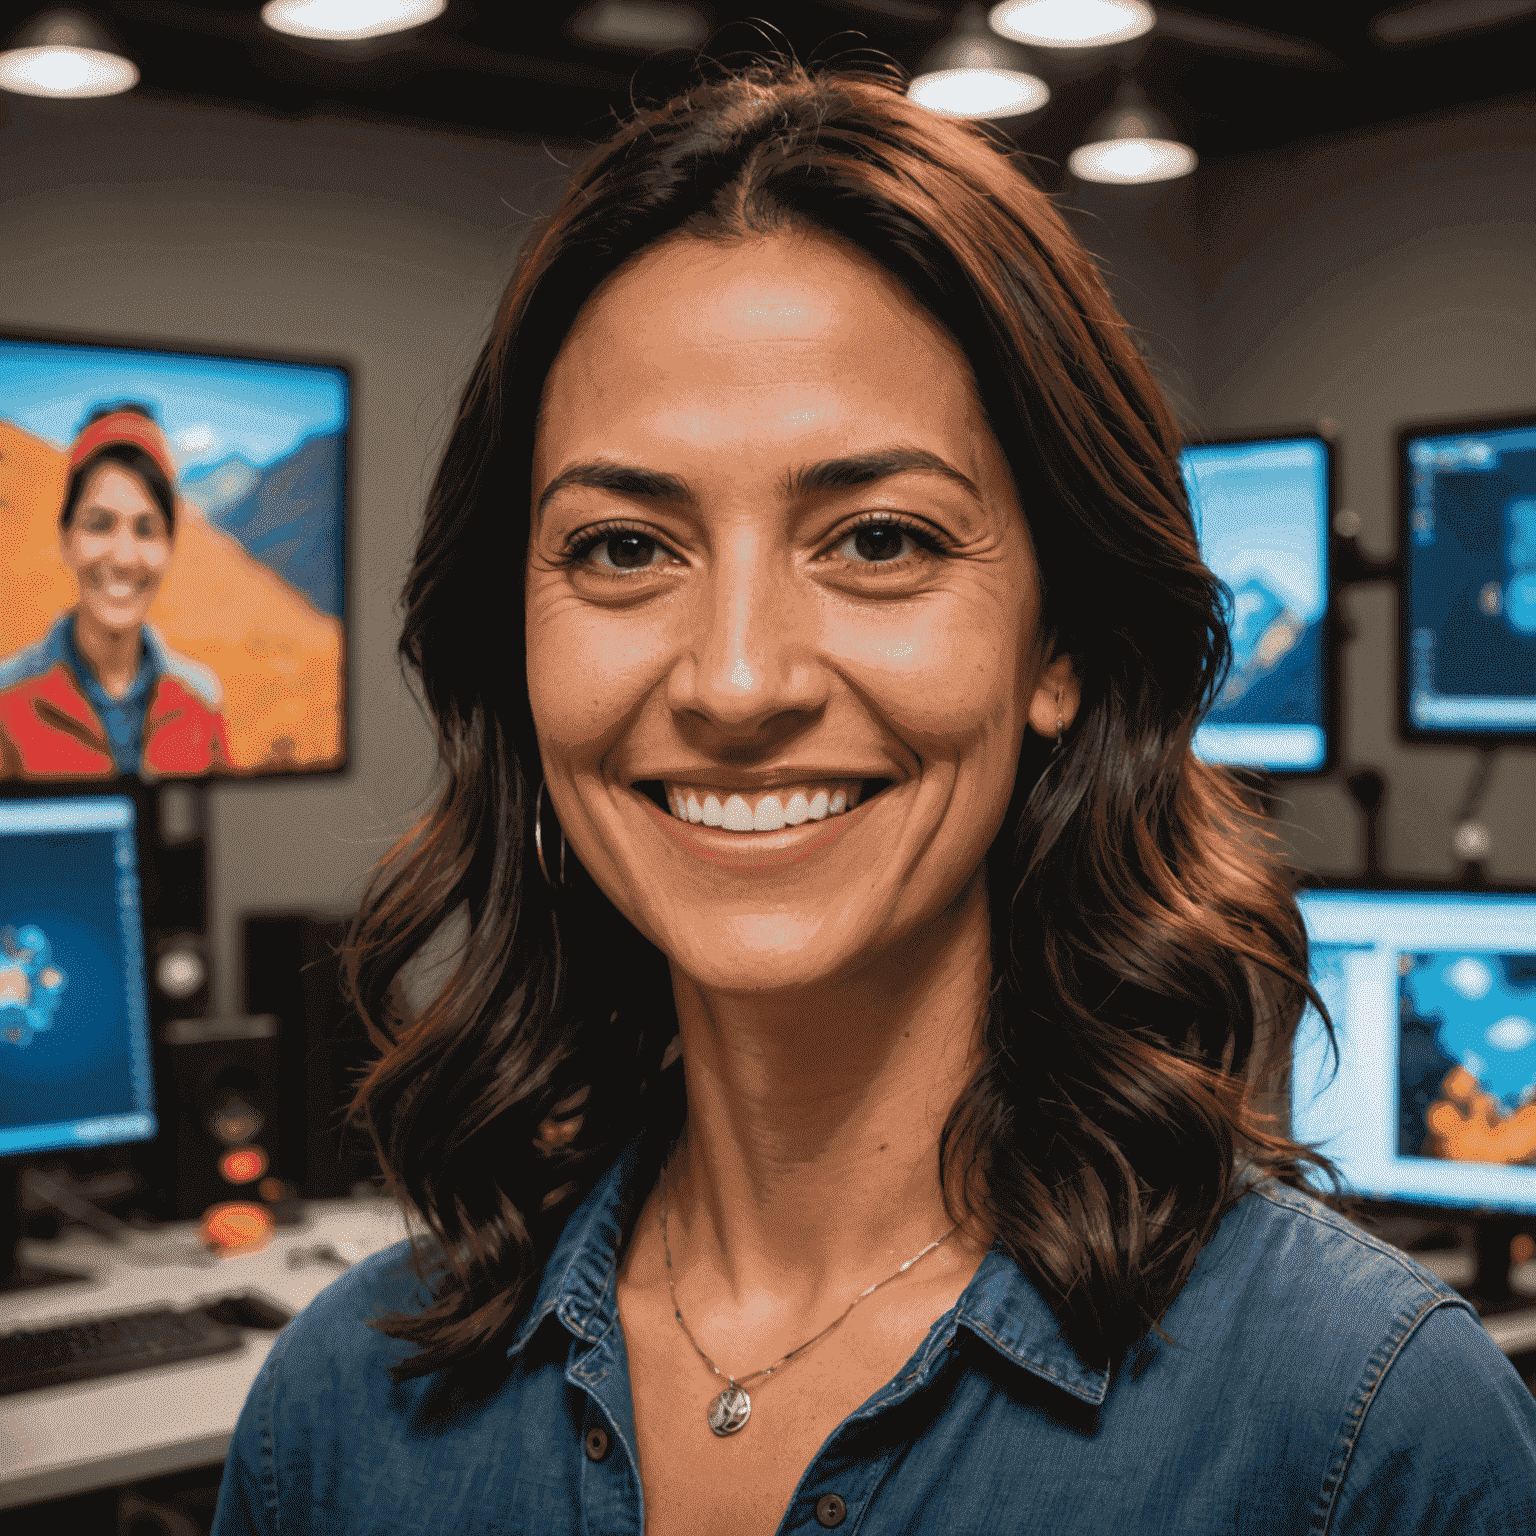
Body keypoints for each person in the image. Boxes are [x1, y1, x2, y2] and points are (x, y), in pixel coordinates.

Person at [213, 56, 1536, 1536]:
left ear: (1065, 645)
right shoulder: (341, 1417)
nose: (734, 680)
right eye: (625, 549)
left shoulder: (1364, 1440)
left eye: (882, 538)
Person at [0, 401, 229, 779]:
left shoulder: (202, 699)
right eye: (99, 524)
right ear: (66, 537)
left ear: (171, 545)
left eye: (146, 529)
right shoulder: (7, 700)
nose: (123, 558)